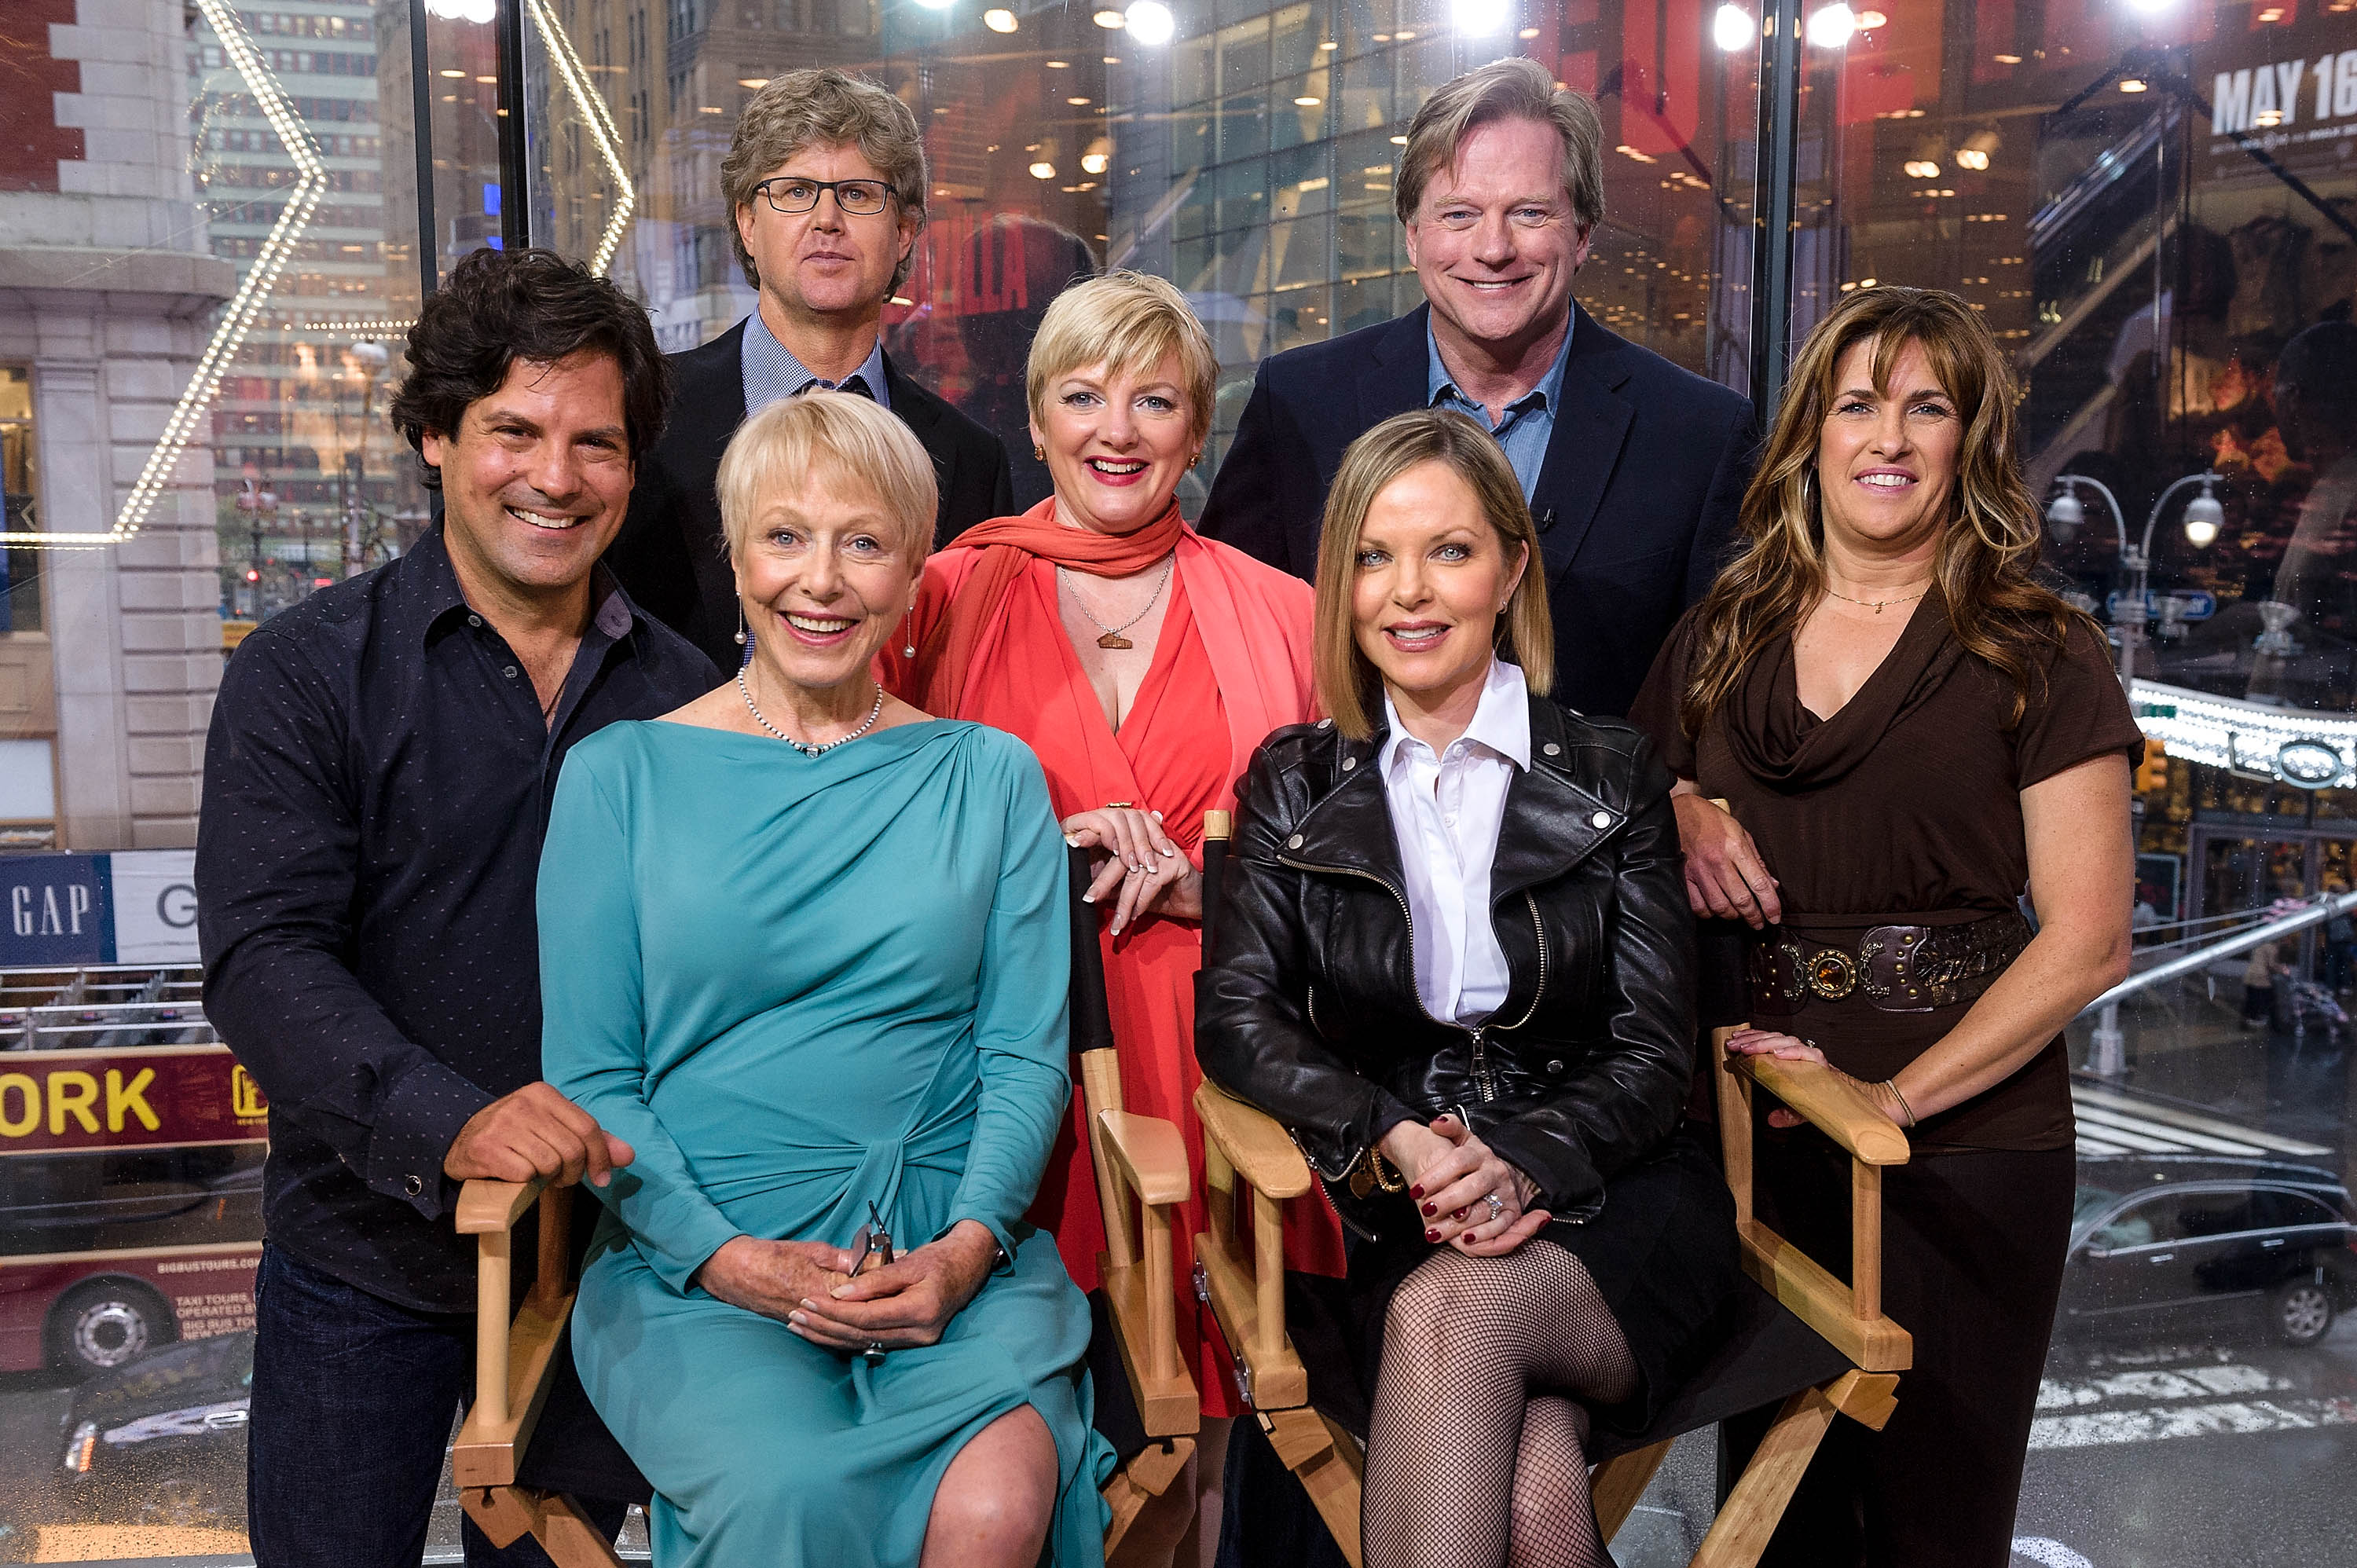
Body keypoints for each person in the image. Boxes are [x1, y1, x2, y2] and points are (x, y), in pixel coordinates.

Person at [196, 247, 719, 1567]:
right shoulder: (305, 675)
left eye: (596, 442)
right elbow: (263, 960)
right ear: (434, 435)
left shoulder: (697, 698)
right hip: (359, 1260)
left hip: (601, 1268)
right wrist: (456, 1117)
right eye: (514, 432)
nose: (556, 477)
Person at [543, 390, 1113, 1566]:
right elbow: (593, 1075)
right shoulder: (619, 777)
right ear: (735, 554)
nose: (823, 580)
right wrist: (726, 1258)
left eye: (865, 543)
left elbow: (1022, 1054)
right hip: (697, 1265)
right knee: (788, 1496)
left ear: (913, 575)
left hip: (948, 1257)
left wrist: (962, 1251)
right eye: (786, 537)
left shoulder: (993, 775)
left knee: (1000, 1508)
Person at [1627, 285, 2139, 1568]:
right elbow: (1608, 831)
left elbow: (2087, 940)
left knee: (1931, 1521)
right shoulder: (1718, 636)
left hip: (1960, 1147)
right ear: (1810, 434)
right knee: (1779, 1521)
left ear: (1971, 441)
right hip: (1754, 1139)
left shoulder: (2041, 650)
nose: (1890, 436)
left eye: (1929, 406)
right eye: (1859, 403)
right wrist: (1680, 799)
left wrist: (1897, 1101)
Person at [1197, 407, 1739, 1568]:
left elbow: (1654, 1056)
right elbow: (1238, 1019)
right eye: (1375, 558)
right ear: (1339, 585)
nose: (1411, 593)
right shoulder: (1292, 781)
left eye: (1449, 550)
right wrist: (1396, 1136)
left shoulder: (1611, 770)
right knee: (1540, 1507)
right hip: (1402, 1214)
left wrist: (1524, 1158)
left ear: (1511, 566)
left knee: (1454, 1315)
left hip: (1618, 1205)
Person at [884, 269, 1343, 1566]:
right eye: (1082, 395)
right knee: (1019, 1428)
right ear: (1035, 422)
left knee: (1194, 1444)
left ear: (1198, 432)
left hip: (1216, 1059)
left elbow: (1354, 877)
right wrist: (1037, 846)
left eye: (1155, 400)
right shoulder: (940, 597)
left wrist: (1206, 883)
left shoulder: (1288, 615)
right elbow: (869, 825)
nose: (1117, 429)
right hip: (1007, 1053)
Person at [1197, 56, 1757, 719]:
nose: (1493, 248)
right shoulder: (1299, 402)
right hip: (1352, 812)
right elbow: (1227, 633)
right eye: (1459, 215)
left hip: (1606, 820)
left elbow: (1723, 689)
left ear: (1581, 235)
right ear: (1413, 237)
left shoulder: (1700, 433)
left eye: (1528, 212)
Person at [607, 67, 1013, 673]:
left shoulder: (971, 461)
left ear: (904, 232)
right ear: (747, 224)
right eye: (795, 192)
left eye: (857, 194)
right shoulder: (643, 413)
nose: (827, 219)